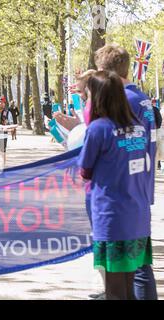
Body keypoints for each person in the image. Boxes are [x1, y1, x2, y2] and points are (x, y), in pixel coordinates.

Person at [78, 70, 152, 300]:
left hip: (112, 217)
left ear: (98, 97)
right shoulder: (139, 126)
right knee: (129, 288)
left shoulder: (98, 128)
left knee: (115, 291)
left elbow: (84, 170)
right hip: (137, 216)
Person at [95, 44, 157, 300]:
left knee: (136, 267)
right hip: (139, 189)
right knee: (138, 265)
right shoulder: (139, 97)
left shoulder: (124, 99)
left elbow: (108, 141)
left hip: (124, 194)